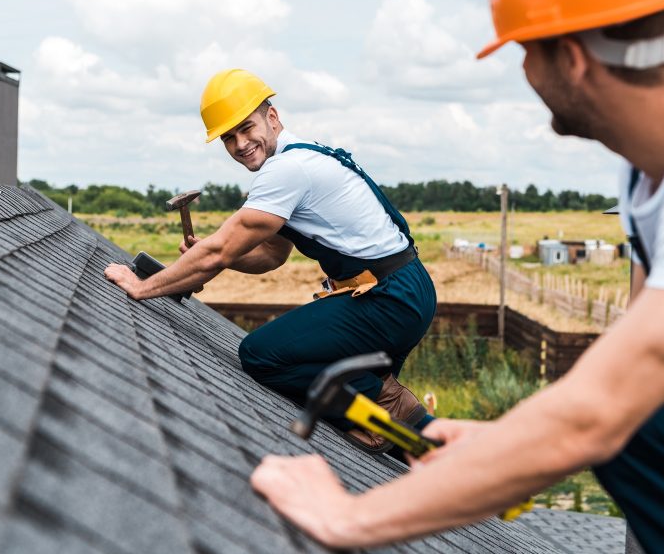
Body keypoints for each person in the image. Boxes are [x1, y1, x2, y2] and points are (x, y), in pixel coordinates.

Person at [249, 0, 664, 552]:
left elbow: (602, 410)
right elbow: (628, 367)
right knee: (651, 419)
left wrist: (349, 519)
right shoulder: (656, 172)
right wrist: (503, 445)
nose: (524, 71)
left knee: (640, 418)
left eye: (525, 51)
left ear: (570, 58)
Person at [105, 69, 438, 450]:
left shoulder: (286, 171)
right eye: (228, 138)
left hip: (387, 299)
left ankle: (387, 403)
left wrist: (142, 286)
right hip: (404, 291)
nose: (240, 143)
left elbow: (220, 250)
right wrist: (217, 256)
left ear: (273, 117)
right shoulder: (298, 159)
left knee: (263, 355)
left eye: (246, 128)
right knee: (393, 425)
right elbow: (270, 255)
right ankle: (439, 456)